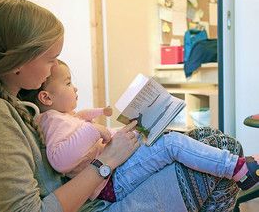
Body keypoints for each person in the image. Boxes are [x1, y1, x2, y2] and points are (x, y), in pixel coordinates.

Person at [0, 0, 247, 212]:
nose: (52, 70)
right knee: (224, 155)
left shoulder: (14, 96)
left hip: (95, 185)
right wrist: (106, 162)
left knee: (213, 141)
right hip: (95, 197)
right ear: (18, 61)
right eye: (49, 60)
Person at [19, 59, 259, 203]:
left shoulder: (60, 118)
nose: (75, 87)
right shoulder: (51, 122)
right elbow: (60, 159)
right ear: (46, 97)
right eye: (68, 83)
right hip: (110, 183)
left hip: (113, 174)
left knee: (166, 139)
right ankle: (237, 168)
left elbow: (78, 122)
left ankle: (231, 163)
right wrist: (97, 131)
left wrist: (96, 113)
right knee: (171, 144)